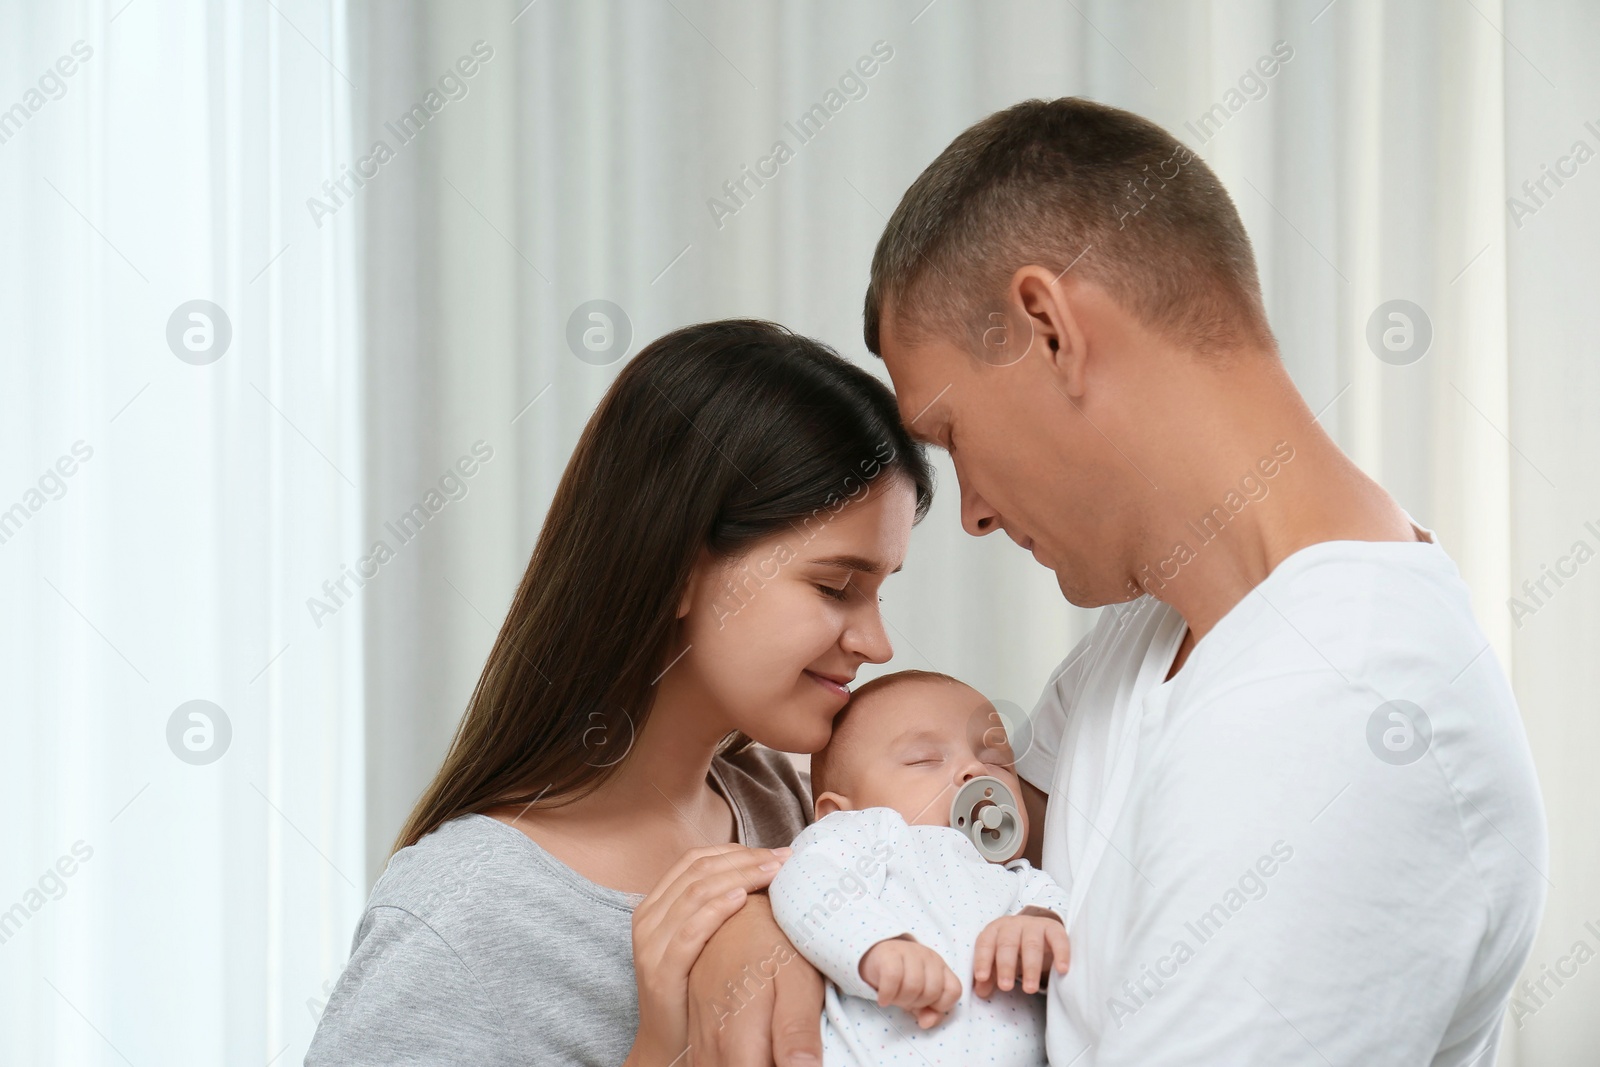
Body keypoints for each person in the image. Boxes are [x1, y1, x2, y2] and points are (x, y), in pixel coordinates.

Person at [688, 98, 1547, 1066]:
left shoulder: (1333, 709)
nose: (970, 509)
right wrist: (775, 929)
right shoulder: (1161, 636)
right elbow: (955, 861)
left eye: (952, 434)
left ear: (1048, 328)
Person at [305, 319, 935, 1066]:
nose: (877, 643)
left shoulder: (798, 810)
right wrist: (657, 1050)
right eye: (836, 586)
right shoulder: (465, 914)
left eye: (880, 593)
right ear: (676, 567)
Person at [769, 670, 1071, 1067]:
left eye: (998, 763)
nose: (975, 772)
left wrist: (1039, 927)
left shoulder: (1023, 882)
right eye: (924, 759)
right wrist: (874, 946)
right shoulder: (870, 835)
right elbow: (803, 883)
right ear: (835, 815)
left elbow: (1066, 918)